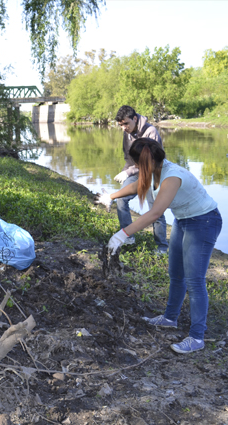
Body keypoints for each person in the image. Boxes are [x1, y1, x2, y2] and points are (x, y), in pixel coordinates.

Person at [95, 139, 222, 353]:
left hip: (203, 222)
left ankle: (197, 337)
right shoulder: (155, 169)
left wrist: (122, 234)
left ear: (144, 162)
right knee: (176, 273)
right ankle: (170, 318)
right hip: (183, 220)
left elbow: (155, 214)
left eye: (137, 165)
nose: (136, 169)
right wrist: (111, 195)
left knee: (194, 281)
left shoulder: (172, 176)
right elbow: (138, 185)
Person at [114, 106, 168, 253]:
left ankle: (162, 247)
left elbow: (150, 162)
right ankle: (128, 237)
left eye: (126, 124)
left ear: (135, 119)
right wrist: (126, 172)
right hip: (135, 172)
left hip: (152, 173)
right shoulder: (127, 133)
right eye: (121, 125)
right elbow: (129, 158)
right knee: (121, 200)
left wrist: (128, 171)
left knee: (155, 210)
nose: (123, 128)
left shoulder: (151, 132)